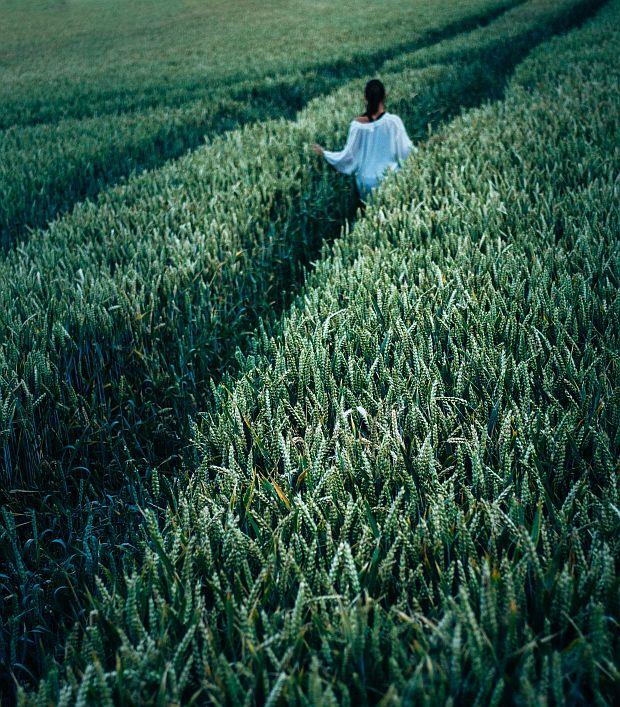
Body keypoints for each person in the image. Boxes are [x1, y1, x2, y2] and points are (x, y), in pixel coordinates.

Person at [312, 79, 413, 203]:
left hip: (366, 184)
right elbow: (407, 151)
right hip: (390, 180)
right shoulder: (393, 122)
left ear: (365, 98)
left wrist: (325, 153)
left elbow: (347, 157)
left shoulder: (357, 125)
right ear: (385, 96)